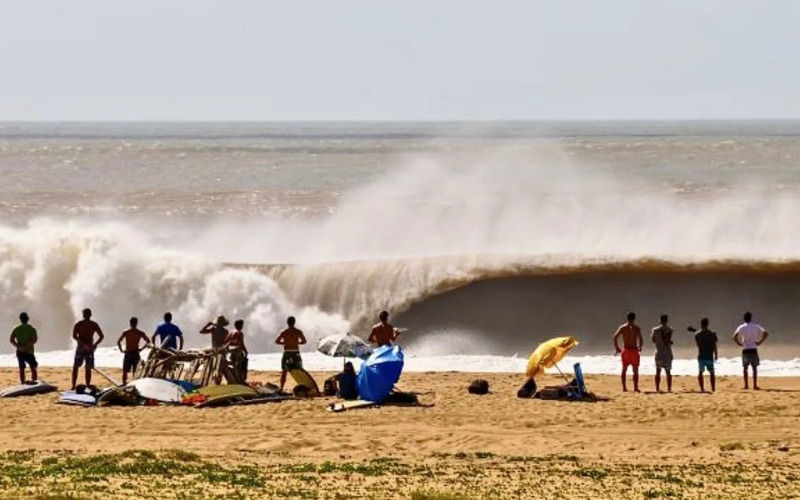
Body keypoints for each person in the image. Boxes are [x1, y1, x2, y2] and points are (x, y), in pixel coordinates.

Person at [732, 311, 769, 390]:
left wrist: (739, 343)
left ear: (744, 318)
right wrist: (760, 342)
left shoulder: (741, 327)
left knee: (745, 368)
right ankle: (755, 385)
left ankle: (746, 385)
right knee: (754, 368)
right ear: (751, 318)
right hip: (753, 348)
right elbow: (766, 333)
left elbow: (734, 336)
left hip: (745, 349)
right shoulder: (756, 326)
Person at [71, 308, 104, 390]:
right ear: (90, 315)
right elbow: (101, 336)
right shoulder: (93, 324)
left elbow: (74, 336)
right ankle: (86, 385)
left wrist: (84, 344)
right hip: (89, 347)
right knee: (86, 367)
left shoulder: (79, 324)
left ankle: (74, 385)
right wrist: (95, 345)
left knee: (77, 366)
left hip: (83, 347)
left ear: (83, 315)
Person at [612, 312, 643, 392]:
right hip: (634, 350)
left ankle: (624, 388)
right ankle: (635, 387)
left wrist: (617, 348)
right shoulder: (636, 328)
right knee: (635, 370)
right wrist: (640, 347)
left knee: (624, 369)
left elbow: (614, 337)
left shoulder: (623, 327)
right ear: (634, 318)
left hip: (626, 350)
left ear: (627, 318)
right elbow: (641, 339)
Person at [275, 316, 307, 392]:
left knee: (284, 371)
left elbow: (277, 341)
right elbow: (304, 341)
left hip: (287, 352)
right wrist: (297, 342)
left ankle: (281, 388)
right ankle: (302, 386)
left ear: (287, 323)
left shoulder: (284, 332)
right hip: (296, 352)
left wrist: (284, 342)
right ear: (294, 322)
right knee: (299, 370)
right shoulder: (298, 331)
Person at [116, 317, 151, 385]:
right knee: (135, 371)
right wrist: (141, 349)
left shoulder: (126, 332)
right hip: (135, 353)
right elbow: (148, 342)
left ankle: (124, 384)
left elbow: (118, 342)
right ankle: (135, 385)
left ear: (130, 323)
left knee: (125, 371)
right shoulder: (140, 332)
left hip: (128, 352)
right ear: (136, 323)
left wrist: (121, 350)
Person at [10, 312, 38, 384]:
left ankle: (22, 382)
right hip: (29, 351)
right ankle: (34, 381)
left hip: (20, 351)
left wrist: (18, 346)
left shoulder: (16, 328)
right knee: (33, 367)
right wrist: (27, 346)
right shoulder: (31, 328)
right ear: (28, 319)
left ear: (20, 319)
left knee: (21, 368)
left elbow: (11, 340)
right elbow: (34, 340)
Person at [692, 318, 718, 392]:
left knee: (700, 372)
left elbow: (697, 344)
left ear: (701, 324)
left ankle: (702, 388)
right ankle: (713, 388)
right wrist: (716, 354)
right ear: (708, 324)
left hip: (701, 355)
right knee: (712, 372)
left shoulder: (697, 334)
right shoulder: (713, 333)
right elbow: (714, 345)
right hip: (709, 355)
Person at [651, 314, 674, 393]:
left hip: (659, 352)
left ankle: (657, 388)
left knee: (658, 371)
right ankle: (669, 388)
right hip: (667, 353)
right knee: (668, 372)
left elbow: (653, 340)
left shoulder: (655, 330)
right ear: (667, 320)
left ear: (660, 320)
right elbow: (668, 341)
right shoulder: (670, 330)